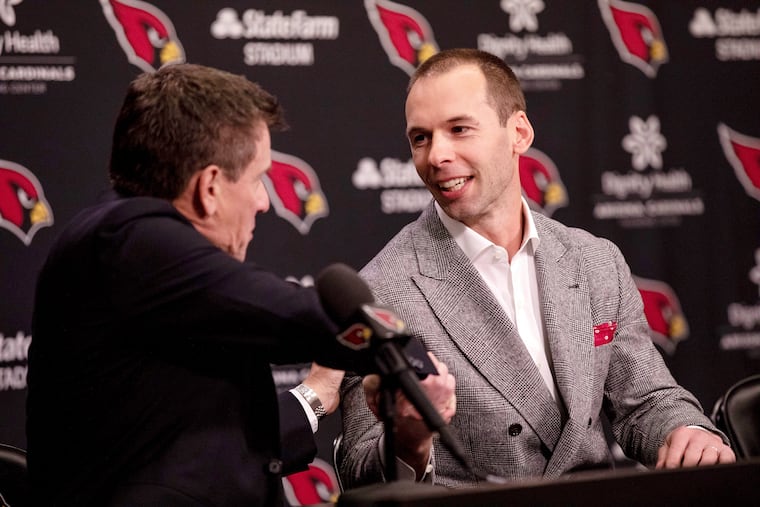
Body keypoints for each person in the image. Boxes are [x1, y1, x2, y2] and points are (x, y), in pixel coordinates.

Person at [338, 48, 736, 489]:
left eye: (459, 129)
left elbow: (645, 400)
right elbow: (361, 471)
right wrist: (409, 439)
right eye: (421, 138)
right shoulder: (378, 293)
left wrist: (688, 431)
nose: (436, 156)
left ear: (519, 133)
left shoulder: (595, 260)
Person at [27, 63, 351, 506]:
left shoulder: (146, 265)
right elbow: (295, 317)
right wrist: (392, 341)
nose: (263, 202)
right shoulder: (130, 238)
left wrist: (315, 396)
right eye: (258, 179)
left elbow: (193, 447)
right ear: (210, 186)